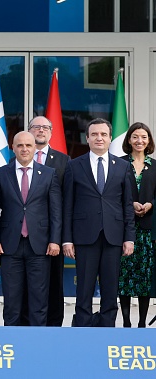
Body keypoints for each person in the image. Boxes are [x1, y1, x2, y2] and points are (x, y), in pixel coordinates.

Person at [62, 118, 135, 327]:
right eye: (94, 134)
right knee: (83, 288)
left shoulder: (123, 166)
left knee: (110, 288)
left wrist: (129, 237)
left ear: (110, 138)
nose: (99, 138)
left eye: (103, 134)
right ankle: (83, 330)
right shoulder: (74, 165)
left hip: (114, 237)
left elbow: (127, 205)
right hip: (85, 236)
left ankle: (107, 329)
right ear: (87, 138)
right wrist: (67, 239)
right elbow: (68, 205)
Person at [0, 131, 62, 326]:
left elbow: (56, 211)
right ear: (13, 148)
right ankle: (12, 341)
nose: (24, 149)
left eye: (28, 146)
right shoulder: (0, 173)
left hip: (40, 245)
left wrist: (55, 240)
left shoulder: (48, 174)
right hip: (9, 245)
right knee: (12, 301)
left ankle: (37, 343)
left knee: (39, 299)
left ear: (34, 148)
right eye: (20, 145)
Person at [19, 116, 70, 327]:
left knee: (53, 284)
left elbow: (66, 202)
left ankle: (53, 327)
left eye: (45, 127)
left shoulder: (64, 160)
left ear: (51, 132)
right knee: (24, 286)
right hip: (24, 235)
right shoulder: (19, 159)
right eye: (36, 127)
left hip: (52, 235)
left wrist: (60, 238)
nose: (41, 130)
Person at [118, 122, 156, 328]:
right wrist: (129, 204)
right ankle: (125, 322)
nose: (139, 141)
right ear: (129, 140)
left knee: (144, 277)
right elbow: (113, 193)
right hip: (125, 229)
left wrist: (151, 204)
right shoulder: (120, 164)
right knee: (124, 277)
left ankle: (142, 323)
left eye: (144, 137)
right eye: (135, 137)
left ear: (149, 140)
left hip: (148, 232)